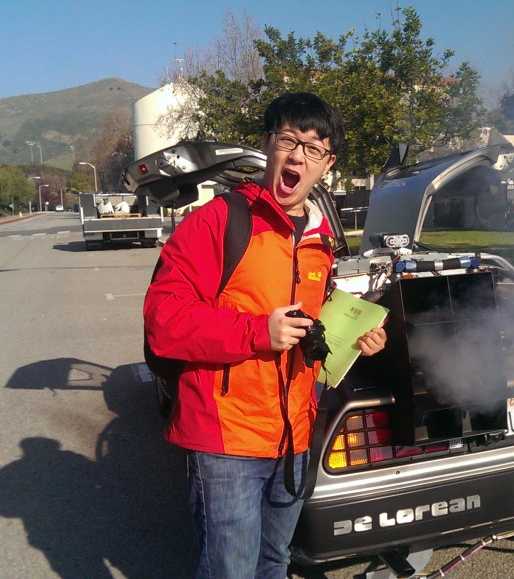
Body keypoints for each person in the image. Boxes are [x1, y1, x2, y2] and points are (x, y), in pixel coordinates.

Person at [143, 92, 386, 578]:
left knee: (274, 562)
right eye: (288, 140)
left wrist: (357, 341)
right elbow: (162, 321)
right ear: (268, 144)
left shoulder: (321, 240)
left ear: (327, 163)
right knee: (229, 570)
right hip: (226, 441)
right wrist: (256, 332)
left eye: (313, 148)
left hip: (295, 433)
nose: (298, 156)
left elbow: (311, 326)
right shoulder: (217, 221)